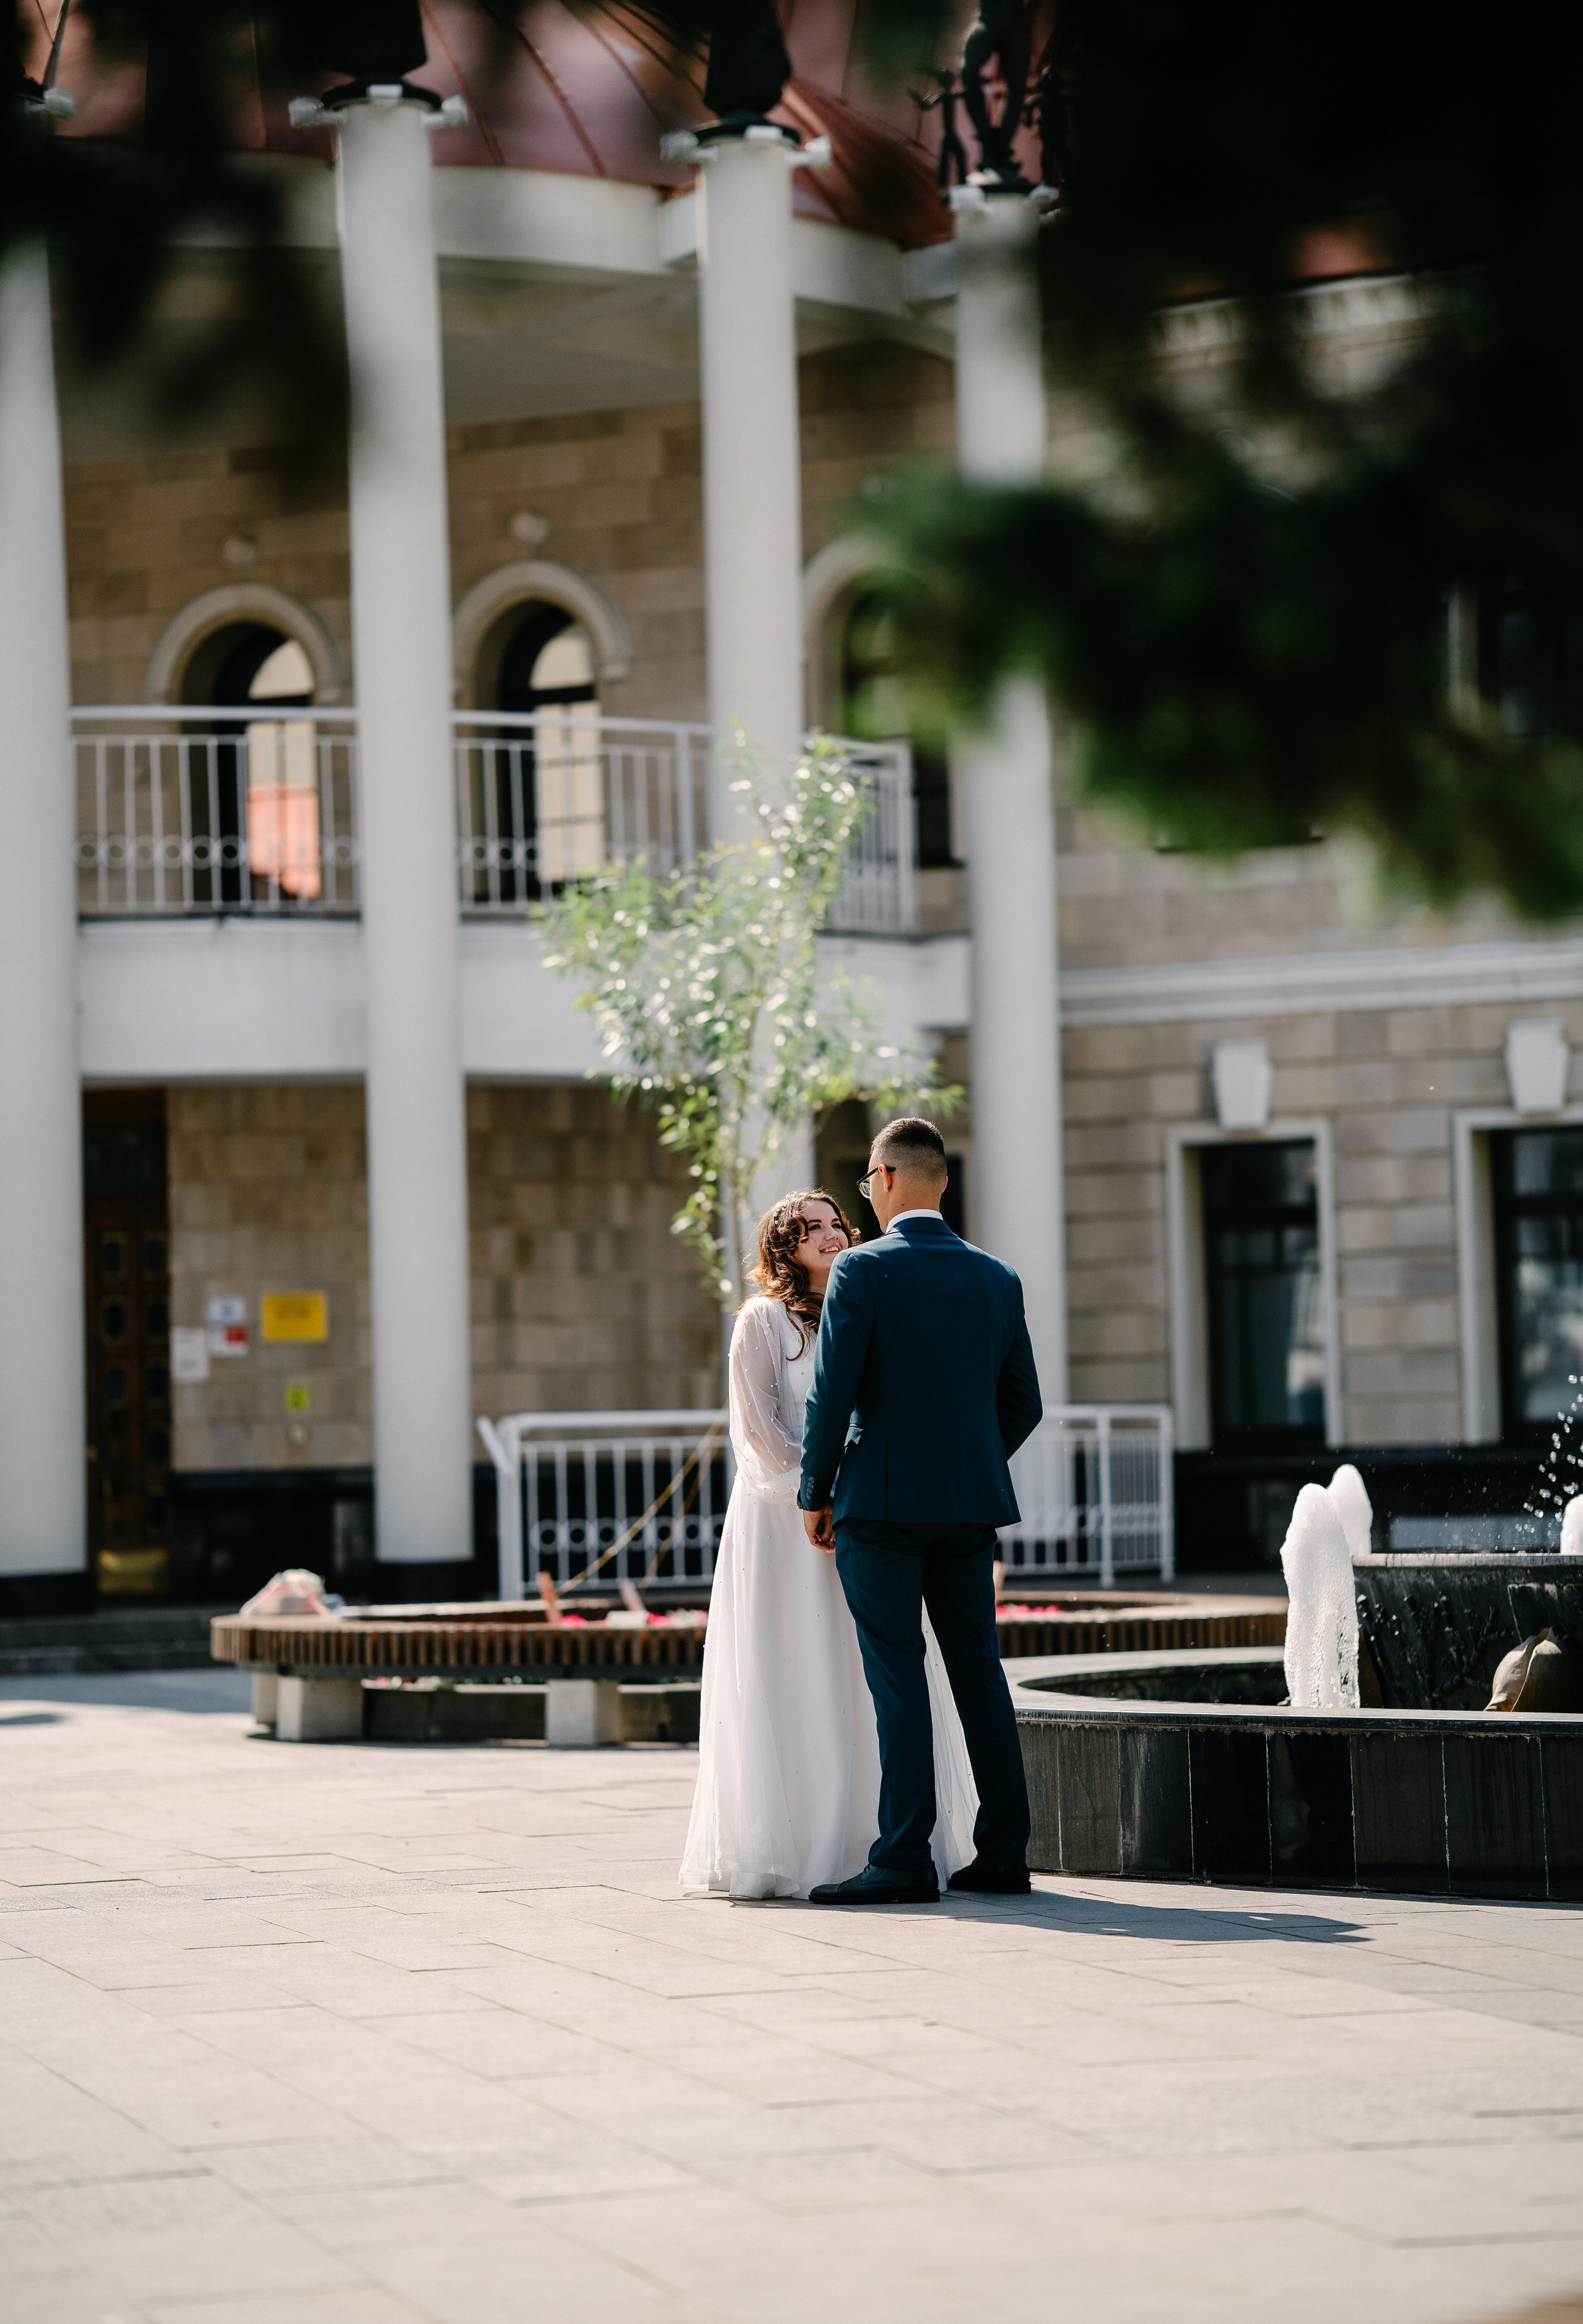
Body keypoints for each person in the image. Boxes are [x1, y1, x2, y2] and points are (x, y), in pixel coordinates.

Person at [680, 1189, 978, 1900]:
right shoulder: (763, 1320)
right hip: (784, 1524)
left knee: (860, 1671)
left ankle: (869, 1835)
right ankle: (795, 1841)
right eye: (809, 1226)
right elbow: (756, 1428)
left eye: (835, 1221)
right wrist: (818, 1491)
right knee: (793, 1661)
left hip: (865, 1519)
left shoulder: (862, 1305)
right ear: (783, 1246)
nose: (830, 1234)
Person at [798, 1117, 1043, 1905]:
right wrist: (966, 1461)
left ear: (888, 1178)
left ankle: (903, 1857)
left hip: (881, 1505)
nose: (867, 1194)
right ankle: (1002, 1852)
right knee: (979, 1673)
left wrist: (815, 1489)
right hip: (967, 1508)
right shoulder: (997, 1277)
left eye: (868, 1182)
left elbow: (832, 1394)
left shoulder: (861, 1272)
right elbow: (1023, 1405)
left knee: (898, 1677)